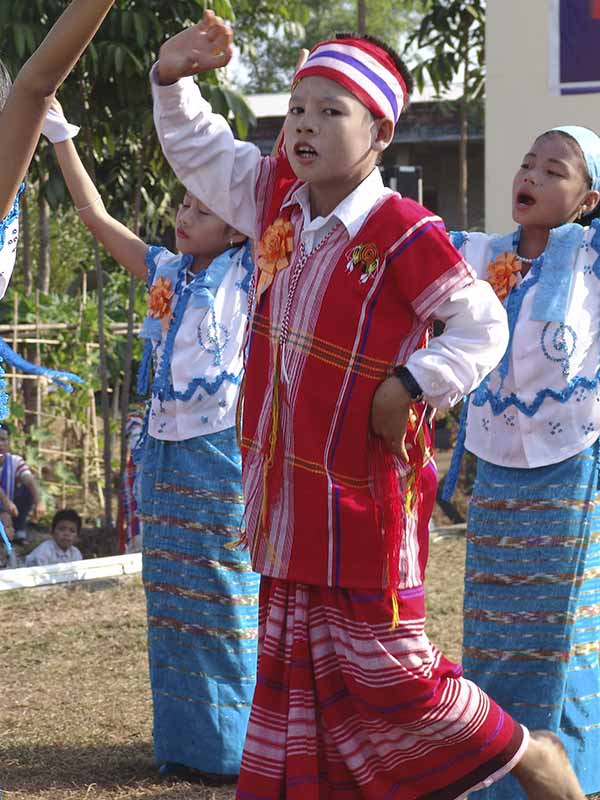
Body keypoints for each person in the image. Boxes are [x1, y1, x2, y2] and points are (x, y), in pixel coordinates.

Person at [151, 12, 586, 799]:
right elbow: (208, 155)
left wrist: (412, 383)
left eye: (330, 111)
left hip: (364, 502)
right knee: (301, 678)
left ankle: (531, 755)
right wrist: (172, 81)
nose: (305, 127)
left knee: (392, 673)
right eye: (297, 110)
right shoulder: (277, 197)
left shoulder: (403, 229)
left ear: (381, 131)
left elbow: (479, 322)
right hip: (290, 496)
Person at [48, 101, 259, 784]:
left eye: (202, 207)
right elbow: (94, 218)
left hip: (222, 455)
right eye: (183, 204)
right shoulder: (167, 272)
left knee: (224, 596)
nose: (183, 214)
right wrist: (60, 138)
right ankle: (187, 746)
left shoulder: (257, 273)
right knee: (171, 597)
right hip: (164, 455)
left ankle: (237, 750)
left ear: (238, 227)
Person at [445, 126, 600, 799]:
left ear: (588, 199)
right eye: (527, 160)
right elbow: (418, 247)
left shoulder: (592, 256)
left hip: (570, 464)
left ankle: (573, 769)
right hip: (497, 464)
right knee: (495, 616)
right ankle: (501, 767)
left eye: (554, 168)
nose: (531, 174)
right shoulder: (484, 255)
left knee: (560, 621)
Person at [0, 424, 44, 544]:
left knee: (27, 489)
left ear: (8, 442)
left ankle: (19, 529)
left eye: (3, 439)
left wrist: (38, 502)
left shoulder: (15, 461)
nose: (0, 444)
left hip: (10, 510)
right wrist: (6, 502)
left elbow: (28, 479)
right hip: (6, 506)